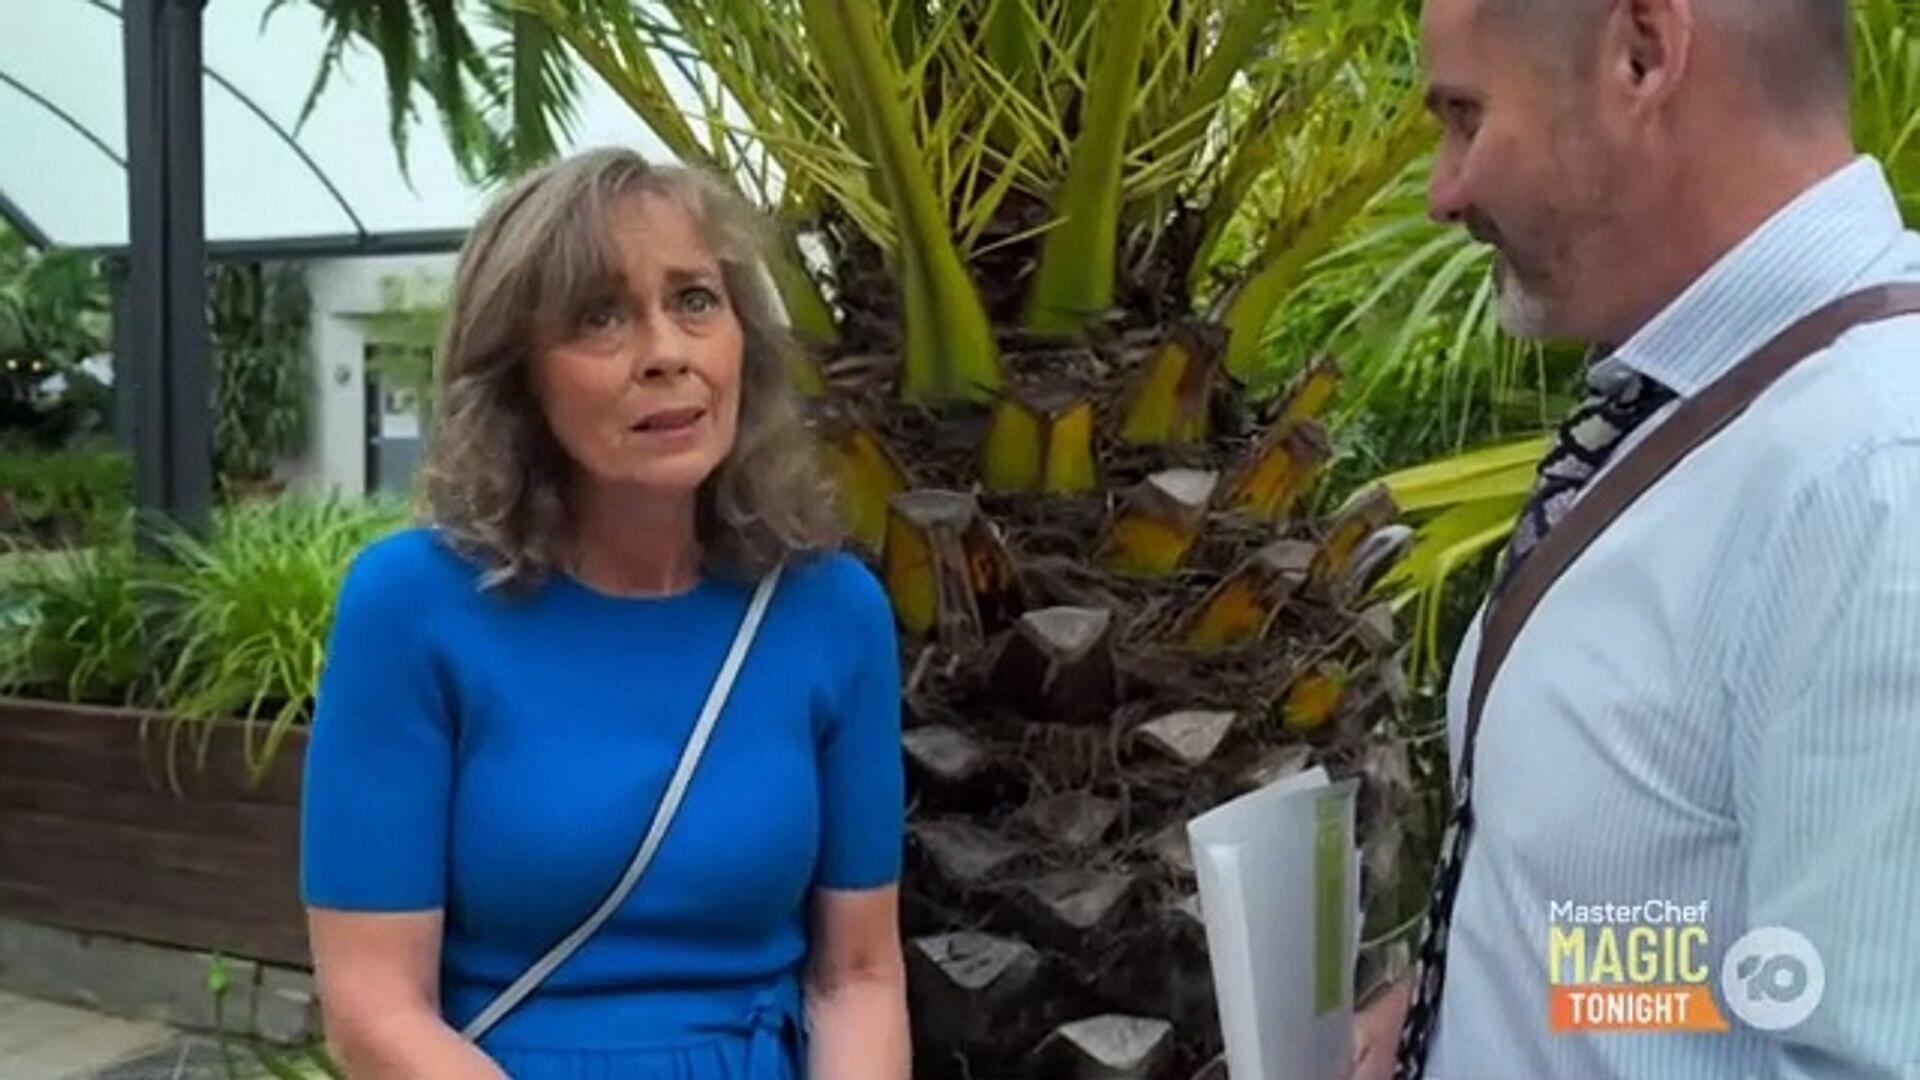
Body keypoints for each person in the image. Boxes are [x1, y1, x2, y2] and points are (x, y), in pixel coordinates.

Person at [1351, 1, 1920, 1078]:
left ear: (1643, 55)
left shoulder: (1876, 480)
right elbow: (1715, 968)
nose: (1444, 190)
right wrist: (1466, 998)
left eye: (1466, 115)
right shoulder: (1722, 401)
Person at [300, 147, 910, 1080]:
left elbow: (857, 977)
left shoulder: (832, 612)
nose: (666, 353)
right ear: (519, 376)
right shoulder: (411, 608)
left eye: (695, 301)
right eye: (600, 317)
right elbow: (373, 1009)